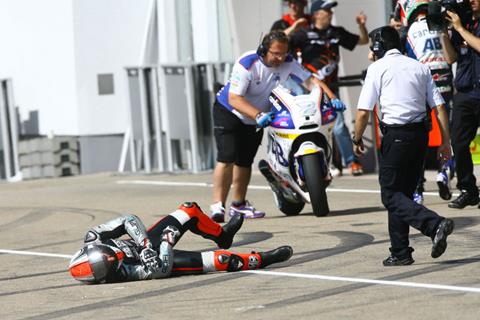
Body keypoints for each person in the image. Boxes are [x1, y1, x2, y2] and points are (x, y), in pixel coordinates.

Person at [210, 30, 344, 222]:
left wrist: (332, 98)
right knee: (227, 157)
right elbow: (234, 98)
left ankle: (238, 205)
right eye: (276, 53)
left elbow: (311, 81)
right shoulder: (248, 63)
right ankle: (217, 206)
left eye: (283, 53)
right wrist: (258, 114)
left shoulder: (288, 61)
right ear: (264, 50)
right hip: (229, 111)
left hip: (257, 116)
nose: (280, 58)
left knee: (245, 161)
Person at [353, 26, 454, 266]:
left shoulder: (377, 68)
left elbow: (363, 112)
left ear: (378, 47)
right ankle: (400, 252)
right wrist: (445, 143)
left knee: (390, 195)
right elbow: (439, 107)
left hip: (396, 136)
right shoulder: (420, 67)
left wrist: (357, 139)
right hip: (420, 136)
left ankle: (433, 224)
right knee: (402, 195)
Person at [69, 202, 293, 284]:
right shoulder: (121, 274)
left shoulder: (95, 236)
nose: (113, 258)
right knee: (222, 260)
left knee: (189, 209)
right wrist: (165, 244)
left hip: (146, 243)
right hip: (161, 261)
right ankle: (263, 259)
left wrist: (146, 243)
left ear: (93, 247)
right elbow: (162, 270)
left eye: (107, 254)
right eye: (110, 264)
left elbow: (129, 219)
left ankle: (222, 236)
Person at [290, 0, 369, 176]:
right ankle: (319, 163)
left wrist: (362, 25)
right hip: (309, 89)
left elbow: (363, 40)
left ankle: (352, 162)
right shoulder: (303, 33)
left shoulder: (336, 32)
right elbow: (282, 45)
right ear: (317, 14)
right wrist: (293, 26)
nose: (331, 13)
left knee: (339, 126)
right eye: (327, 10)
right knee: (313, 125)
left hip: (331, 88)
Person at [402, 0, 457, 204]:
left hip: (422, 88)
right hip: (445, 83)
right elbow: (452, 56)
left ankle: (417, 188)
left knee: (419, 137)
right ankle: (444, 172)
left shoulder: (408, 32)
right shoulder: (443, 25)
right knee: (446, 134)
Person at [445, 0, 480, 209]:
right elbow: (450, 58)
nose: (472, 1)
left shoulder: (463, 26)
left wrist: (458, 28)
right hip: (466, 93)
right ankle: (469, 190)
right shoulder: (464, 23)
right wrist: (443, 33)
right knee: (458, 142)